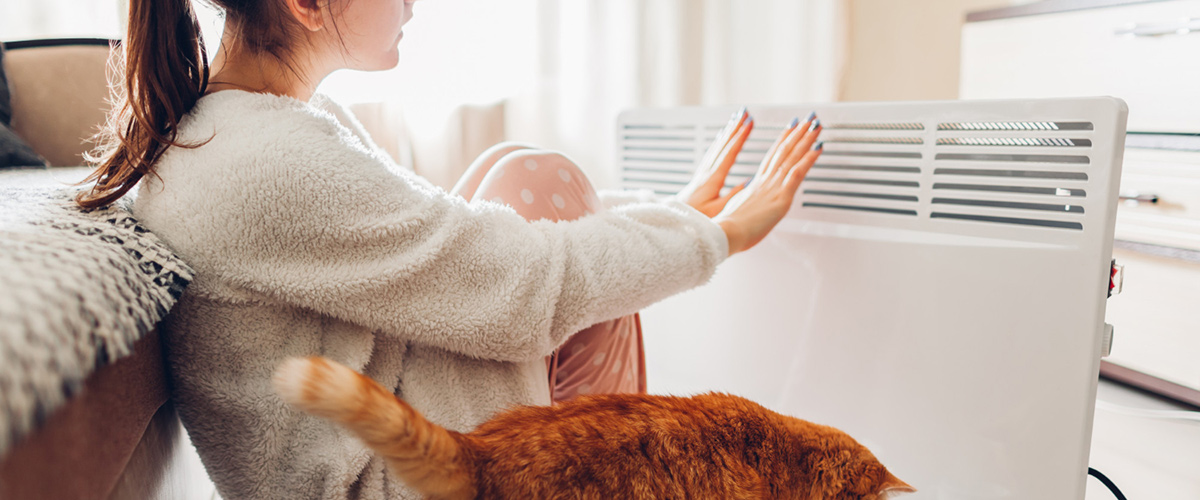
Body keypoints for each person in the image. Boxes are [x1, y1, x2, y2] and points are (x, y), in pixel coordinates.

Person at [76, 0, 823, 498]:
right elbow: (526, 289)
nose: (410, 5)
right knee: (539, 187)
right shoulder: (263, 161)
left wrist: (676, 219)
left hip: (382, 440)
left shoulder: (255, 126)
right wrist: (714, 236)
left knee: (517, 187)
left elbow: (454, 245)